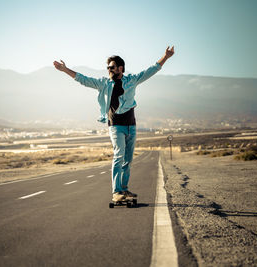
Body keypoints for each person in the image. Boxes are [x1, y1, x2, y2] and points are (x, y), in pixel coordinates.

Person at [53, 46, 175, 202]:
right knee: (119, 155)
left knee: (128, 160)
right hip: (115, 125)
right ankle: (116, 192)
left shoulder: (132, 80)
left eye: (111, 67)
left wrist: (165, 57)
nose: (108, 70)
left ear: (120, 68)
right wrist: (65, 69)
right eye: (107, 68)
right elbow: (83, 79)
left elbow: (151, 70)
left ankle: (124, 189)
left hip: (131, 125)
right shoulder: (104, 83)